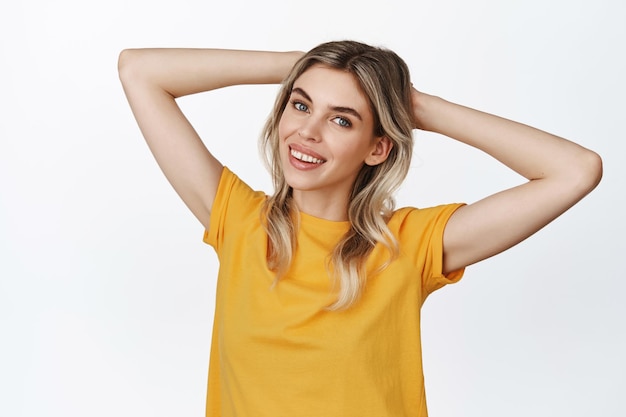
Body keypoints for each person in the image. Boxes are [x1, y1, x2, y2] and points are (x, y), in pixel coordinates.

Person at [118, 40, 602, 417]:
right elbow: (139, 70)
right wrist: (296, 64)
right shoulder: (240, 223)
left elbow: (575, 169)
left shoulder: (410, 246)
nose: (308, 132)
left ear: (378, 148)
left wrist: (419, 108)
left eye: (342, 120)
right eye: (301, 105)